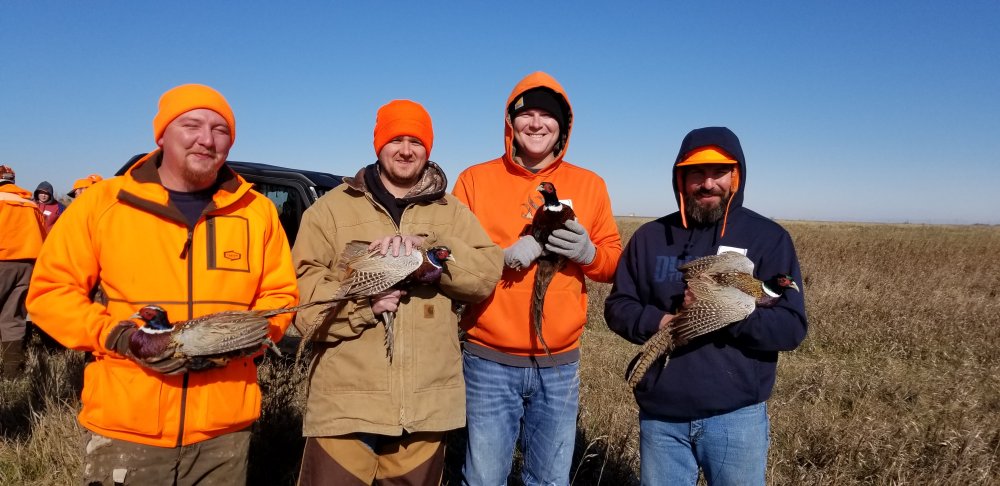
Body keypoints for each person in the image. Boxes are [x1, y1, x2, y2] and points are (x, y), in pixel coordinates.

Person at [26, 84, 299, 485]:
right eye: (191, 124)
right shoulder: (105, 204)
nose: (206, 139)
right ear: (163, 134)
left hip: (224, 431)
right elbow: (50, 293)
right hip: (127, 426)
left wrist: (247, 337)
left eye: (220, 130)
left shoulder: (256, 211)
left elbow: (281, 295)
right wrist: (117, 336)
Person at [292, 99, 503, 485]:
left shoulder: (451, 213)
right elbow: (302, 304)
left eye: (416, 142)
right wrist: (363, 305)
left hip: (425, 408)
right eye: (396, 139)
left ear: (429, 149)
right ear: (379, 144)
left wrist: (431, 254)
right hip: (346, 408)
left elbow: (486, 275)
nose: (406, 150)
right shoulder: (329, 211)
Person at [603, 126, 808, 485]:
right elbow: (618, 305)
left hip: (736, 417)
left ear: (736, 176)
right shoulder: (650, 238)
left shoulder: (769, 238)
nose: (708, 183)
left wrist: (723, 314)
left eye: (719, 172)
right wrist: (664, 321)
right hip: (662, 419)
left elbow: (791, 327)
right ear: (680, 179)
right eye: (696, 172)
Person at [453, 72, 622, 485]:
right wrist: (500, 258)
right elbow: (452, 259)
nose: (536, 123)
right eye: (526, 113)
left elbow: (614, 263)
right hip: (488, 359)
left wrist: (588, 253)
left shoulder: (590, 184)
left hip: (558, 364)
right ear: (510, 122)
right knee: (482, 478)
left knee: (549, 480)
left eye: (548, 115)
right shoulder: (474, 180)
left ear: (563, 127)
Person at [0, 164, 46, 380]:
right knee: (14, 318)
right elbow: (44, 235)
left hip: (2, 262)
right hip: (28, 265)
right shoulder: (30, 204)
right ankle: (12, 373)